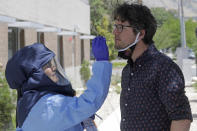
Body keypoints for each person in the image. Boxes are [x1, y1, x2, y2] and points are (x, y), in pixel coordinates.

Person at [113, 3, 193, 131]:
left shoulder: (164, 69)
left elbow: (181, 118)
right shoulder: (127, 71)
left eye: (121, 27)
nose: (115, 32)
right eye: (115, 26)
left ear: (141, 34)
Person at [5, 36, 112, 131]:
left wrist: (77, 122)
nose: (54, 67)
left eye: (52, 62)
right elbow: (90, 102)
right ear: (34, 75)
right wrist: (102, 63)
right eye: (47, 65)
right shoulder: (48, 105)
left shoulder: (29, 103)